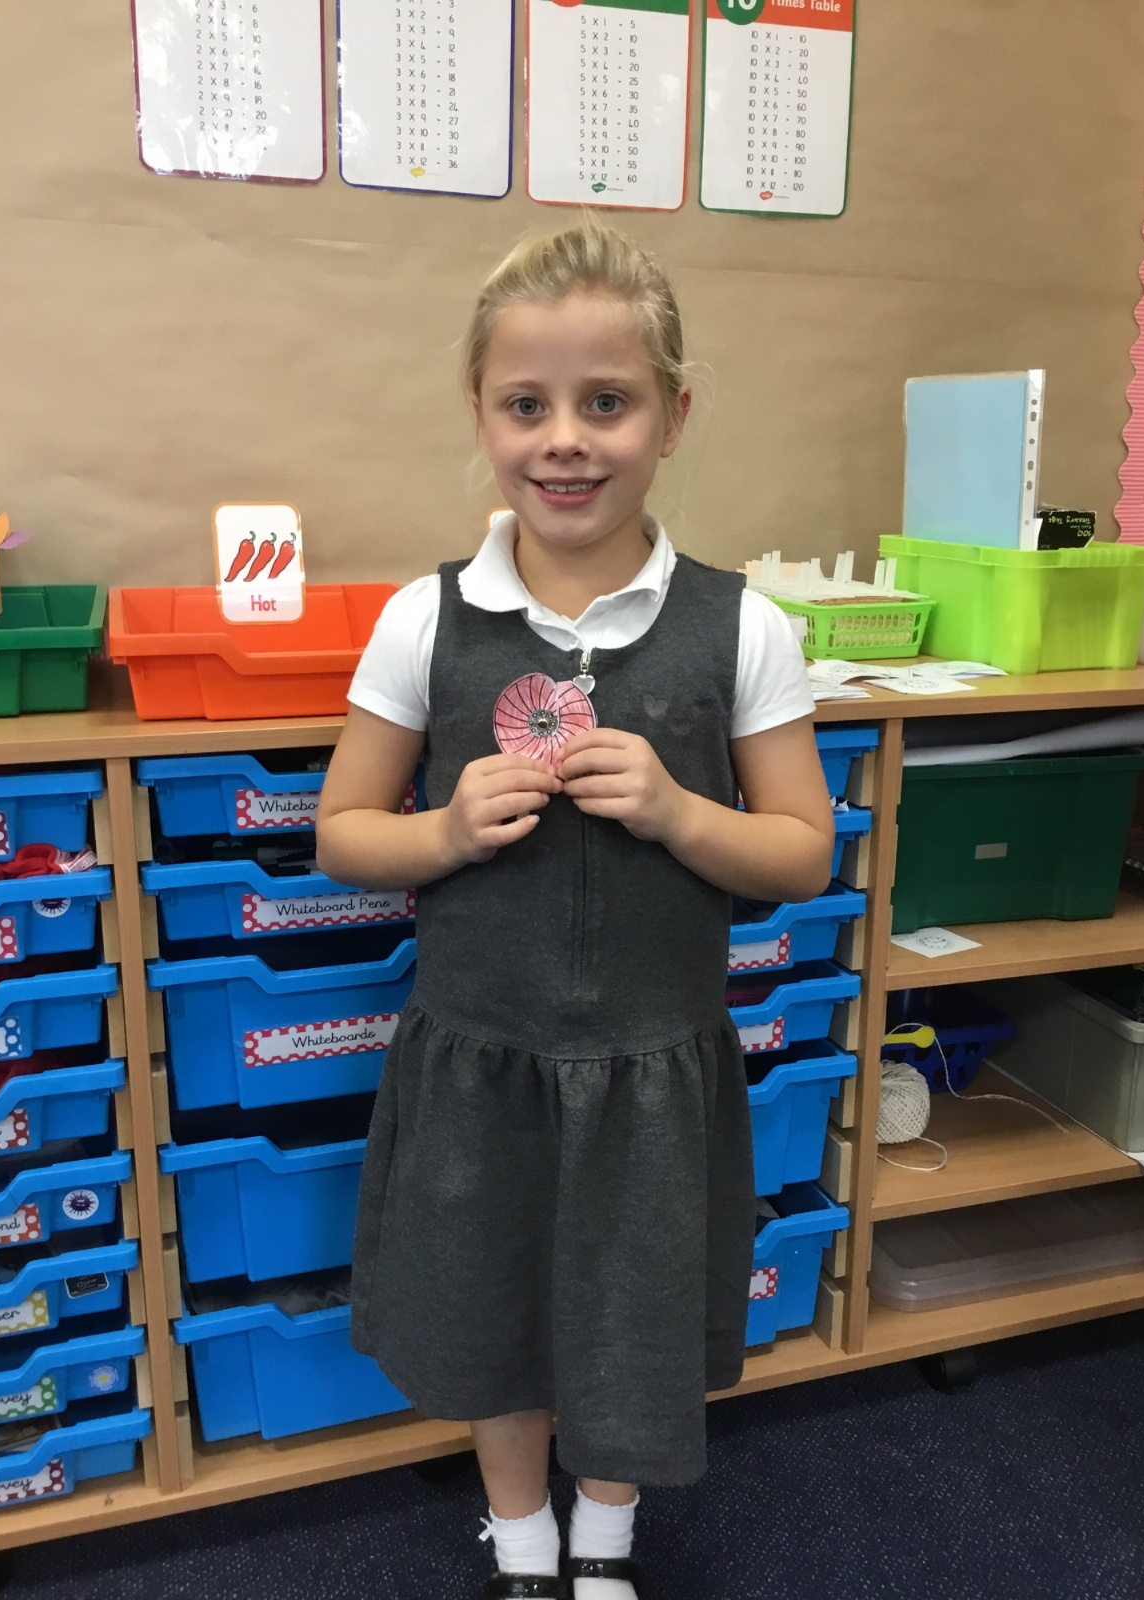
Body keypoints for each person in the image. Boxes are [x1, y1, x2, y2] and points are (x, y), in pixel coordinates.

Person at [316, 223, 834, 1600]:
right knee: (494, 1312)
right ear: (480, 414)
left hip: (652, 1074)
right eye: (525, 404)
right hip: (481, 1064)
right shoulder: (427, 620)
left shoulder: (742, 627)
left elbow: (802, 853)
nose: (565, 440)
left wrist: (675, 810)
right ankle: (524, 1544)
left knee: (633, 1320)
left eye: (607, 402)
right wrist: (442, 829)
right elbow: (341, 831)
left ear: (673, 414)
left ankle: (605, 1539)